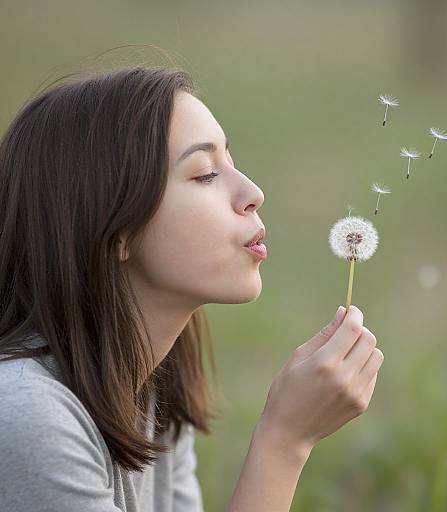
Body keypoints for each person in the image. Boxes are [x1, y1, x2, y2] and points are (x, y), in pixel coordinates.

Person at [0, 64, 384, 512]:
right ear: (116, 231)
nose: (253, 192)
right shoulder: (27, 416)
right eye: (204, 174)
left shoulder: (148, 394)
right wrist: (284, 442)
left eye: (232, 163)